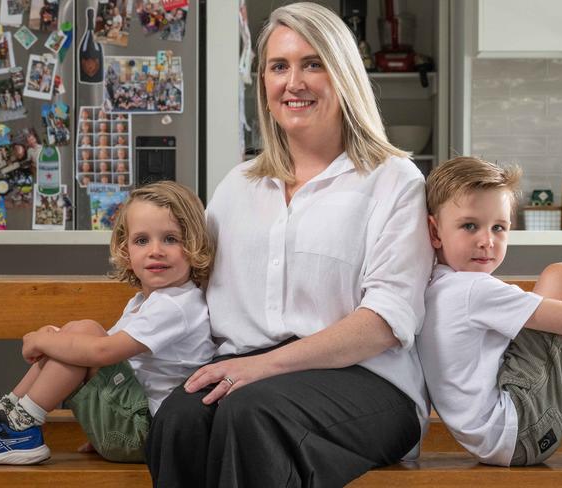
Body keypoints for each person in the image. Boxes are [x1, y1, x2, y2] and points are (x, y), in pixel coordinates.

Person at [146, 3, 431, 487]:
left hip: (366, 381)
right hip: (245, 368)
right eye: (279, 66)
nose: (293, 83)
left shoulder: (393, 180)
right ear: (264, 82)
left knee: (252, 415)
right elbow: (189, 289)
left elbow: (386, 321)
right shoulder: (238, 184)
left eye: (312, 64)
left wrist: (262, 367)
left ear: (342, 75)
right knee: (180, 421)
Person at [418, 156, 562, 467]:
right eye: (470, 226)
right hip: (523, 428)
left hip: (499, 437)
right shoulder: (471, 290)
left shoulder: (437, 285)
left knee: (558, 291)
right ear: (435, 230)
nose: (487, 241)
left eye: (499, 227)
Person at [0, 181, 216, 465]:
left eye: (171, 239)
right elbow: (90, 356)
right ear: (126, 249)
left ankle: (19, 428)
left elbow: (101, 353)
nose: (155, 250)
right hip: (128, 427)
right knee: (76, 337)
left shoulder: (177, 305)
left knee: (83, 335)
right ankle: (7, 418)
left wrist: (41, 339)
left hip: (150, 434)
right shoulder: (142, 302)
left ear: (194, 243)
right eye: (142, 240)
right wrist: (58, 338)